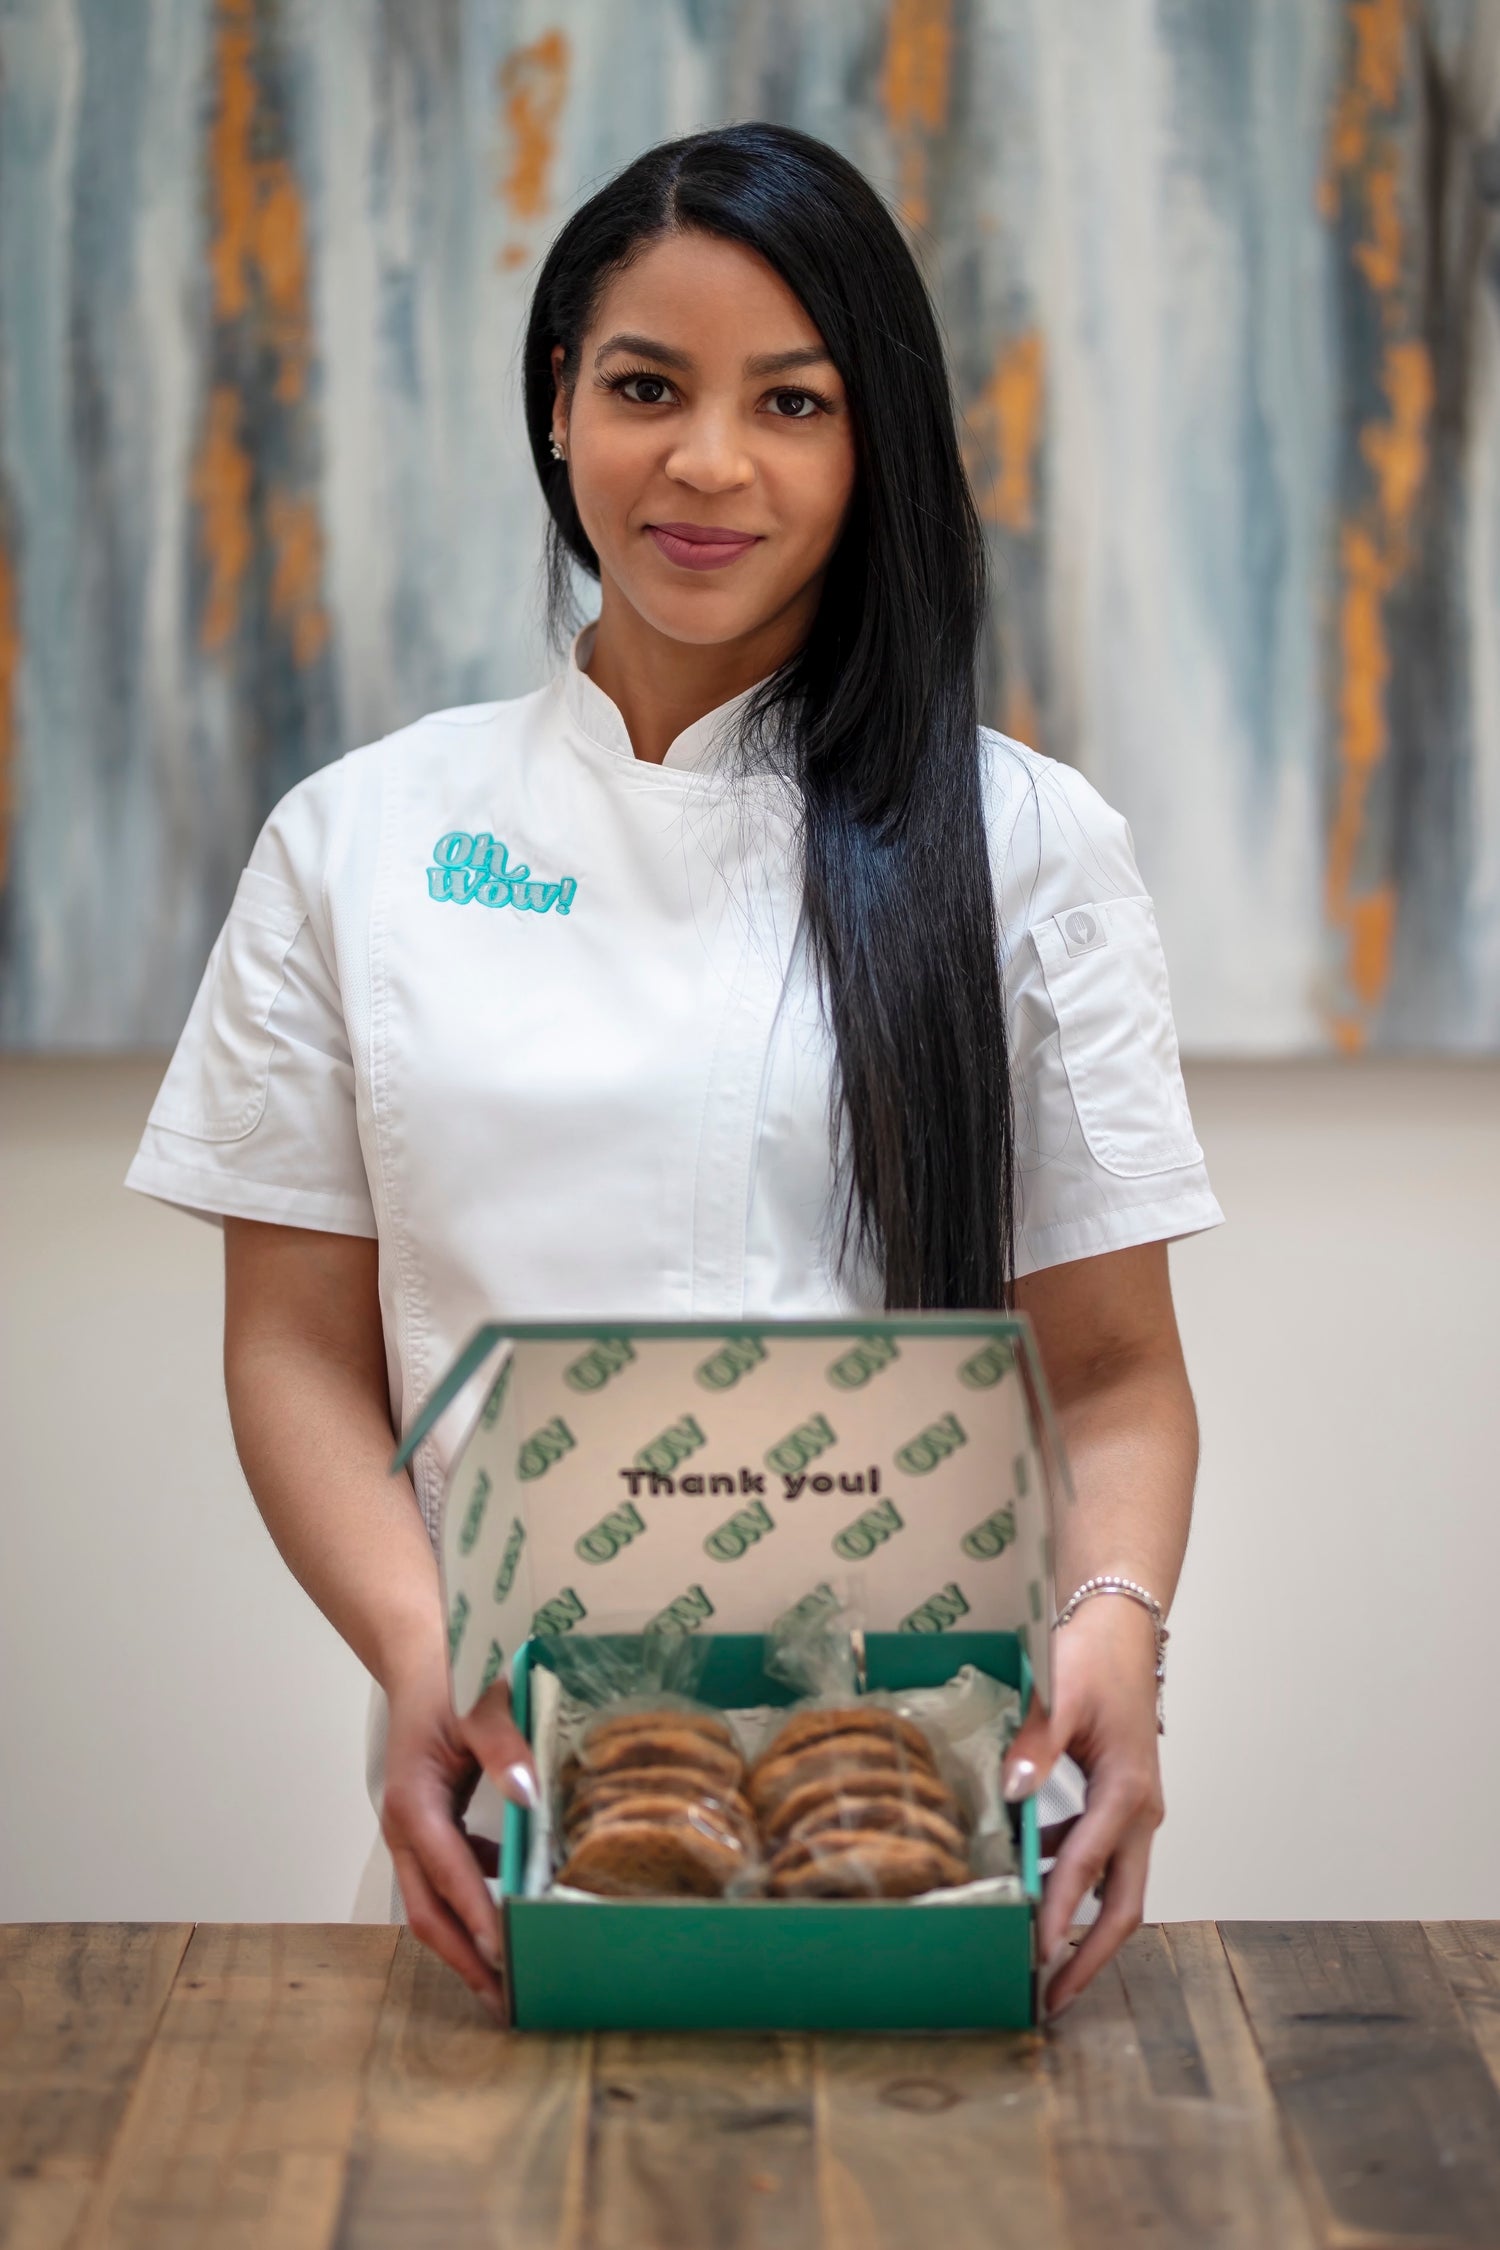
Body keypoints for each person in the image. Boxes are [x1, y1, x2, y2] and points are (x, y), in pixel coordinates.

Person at [126, 122, 1222, 2025]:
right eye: (647, 386)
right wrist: (421, 1651)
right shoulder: (357, 840)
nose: (708, 463)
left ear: (870, 439)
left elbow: (1116, 1370)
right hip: (514, 1804)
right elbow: (292, 1341)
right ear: (559, 406)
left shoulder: (1029, 846)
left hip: (948, 1819)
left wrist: (1117, 1624)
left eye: (790, 401)